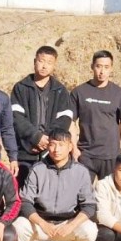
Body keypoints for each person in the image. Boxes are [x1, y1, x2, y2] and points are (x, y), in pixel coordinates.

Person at [12, 128, 98, 241]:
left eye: (61, 145)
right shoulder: (37, 169)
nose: (56, 149)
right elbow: (25, 202)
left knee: (90, 230)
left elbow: (89, 206)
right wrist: (42, 223)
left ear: (70, 147)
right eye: (52, 144)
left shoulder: (81, 171)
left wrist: (71, 225)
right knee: (19, 225)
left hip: (67, 223)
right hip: (41, 223)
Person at [11, 46, 73, 185]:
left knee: (48, 190)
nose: (44, 66)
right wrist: (35, 137)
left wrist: (47, 139)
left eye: (49, 62)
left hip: (51, 153)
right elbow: (16, 117)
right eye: (41, 61)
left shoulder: (60, 90)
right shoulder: (21, 88)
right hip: (25, 152)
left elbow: (64, 118)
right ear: (35, 62)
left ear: (54, 65)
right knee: (24, 191)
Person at [71, 50, 121, 181]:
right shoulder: (79, 92)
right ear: (92, 66)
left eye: (106, 67)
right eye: (98, 66)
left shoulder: (119, 93)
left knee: (109, 191)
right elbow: (71, 122)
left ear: (111, 69)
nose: (102, 71)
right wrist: (74, 148)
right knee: (82, 191)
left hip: (111, 155)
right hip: (86, 154)